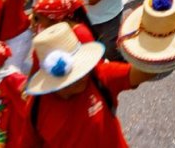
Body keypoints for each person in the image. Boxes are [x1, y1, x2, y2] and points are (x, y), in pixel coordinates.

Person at [20, 23, 156, 147]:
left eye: (80, 71)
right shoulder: (36, 106)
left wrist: (157, 40)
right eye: (70, 79)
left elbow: (144, 73)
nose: (81, 78)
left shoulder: (99, 75)